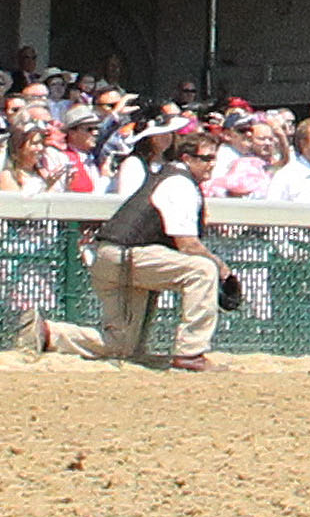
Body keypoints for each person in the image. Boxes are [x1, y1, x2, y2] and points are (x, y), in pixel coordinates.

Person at [25, 130, 228, 367]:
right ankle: (190, 353)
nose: (211, 164)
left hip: (114, 256)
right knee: (203, 270)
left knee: (121, 346)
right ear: (186, 158)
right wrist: (221, 267)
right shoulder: (179, 184)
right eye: (205, 158)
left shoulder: (173, 179)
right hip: (126, 255)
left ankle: (47, 332)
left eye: (214, 158)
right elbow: (187, 244)